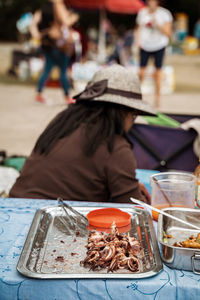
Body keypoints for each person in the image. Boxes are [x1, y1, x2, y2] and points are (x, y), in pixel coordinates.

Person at [9, 64, 156, 204]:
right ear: (125, 112)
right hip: (57, 223)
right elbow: (133, 210)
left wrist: (129, 186)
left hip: (14, 207)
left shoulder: (62, 122)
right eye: (134, 115)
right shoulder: (116, 147)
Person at [30, 0, 79, 104]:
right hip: (59, 45)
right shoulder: (58, 5)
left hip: (46, 43)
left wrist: (37, 35)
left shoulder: (43, 8)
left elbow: (33, 24)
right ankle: (67, 97)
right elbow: (66, 22)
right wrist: (74, 17)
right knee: (63, 72)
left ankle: (39, 94)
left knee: (47, 70)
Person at [135, 0, 173, 108]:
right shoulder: (142, 12)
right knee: (141, 72)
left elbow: (168, 33)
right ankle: (136, 96)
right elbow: (137, 29)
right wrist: (137, 41)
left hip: (159, 45)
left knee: (158, 73)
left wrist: (157, 24)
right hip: (145, 45)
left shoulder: (164, 14)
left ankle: (157, 99)